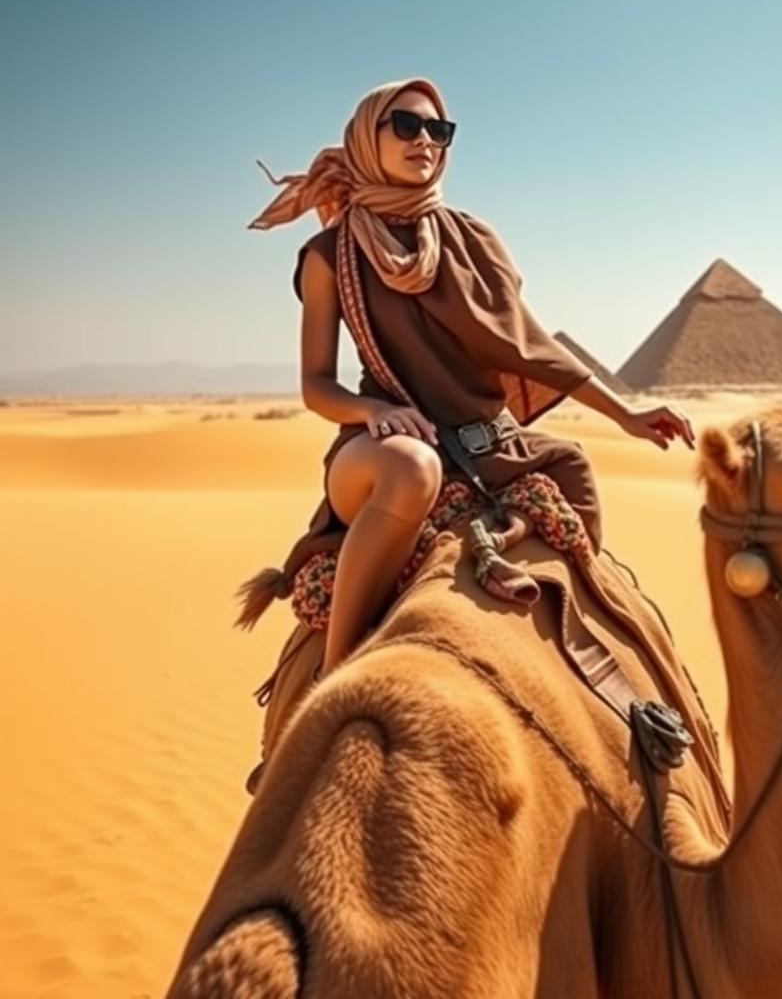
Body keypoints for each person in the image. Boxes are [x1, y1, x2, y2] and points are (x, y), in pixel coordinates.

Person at [238, 75, 696, 683]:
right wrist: (371, 414)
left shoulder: (473, 239)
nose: (425, 140)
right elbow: (316, 386)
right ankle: (335, 673)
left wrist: (626, 415)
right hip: (383, 450)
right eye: (405, 125)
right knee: (413, 470)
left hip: (487, 447)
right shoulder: (331, 255)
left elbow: (534, 347)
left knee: (574, 474)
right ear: (365, 138)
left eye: (438, 129)